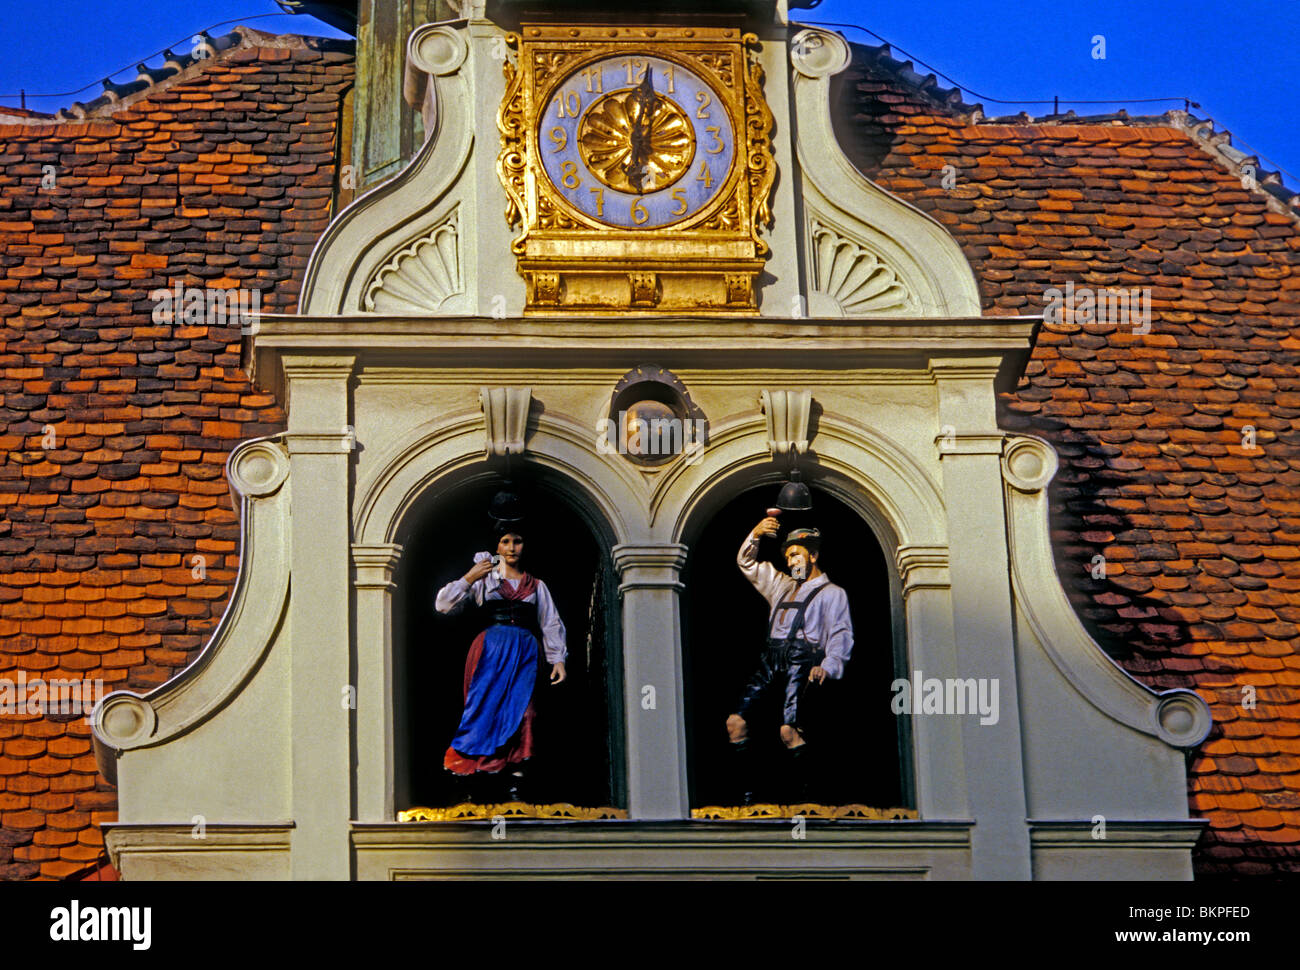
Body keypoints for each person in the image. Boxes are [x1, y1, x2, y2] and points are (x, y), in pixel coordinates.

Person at [435, 512, 566, 803]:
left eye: (517, 541)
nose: (511, 547)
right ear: (497, 546)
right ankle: (468, 777)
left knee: (526, 713)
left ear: (525, 545)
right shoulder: (485, 579)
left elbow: (550, 622)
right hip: (490, 652)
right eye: (505, 541)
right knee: (483, 710)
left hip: (524, 655)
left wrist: (557, 659)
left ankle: (516, 780)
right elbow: (443, 605)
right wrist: (470, 577)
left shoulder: (537, 585)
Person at [727, 518, 853, 804]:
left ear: (813, 555)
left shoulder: (832, 594)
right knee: (735, 723)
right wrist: (756, 533)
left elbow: (840, 634)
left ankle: (807, 801)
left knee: (788, 731)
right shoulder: (781, 585)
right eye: (787, 556)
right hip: (771, 659)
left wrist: (829, 665)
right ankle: (748, 798)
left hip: (802, 661)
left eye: (796, 553)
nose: (791, 560)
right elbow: (746, 563)